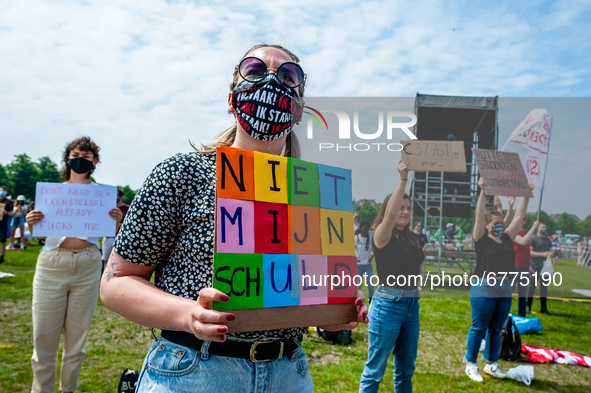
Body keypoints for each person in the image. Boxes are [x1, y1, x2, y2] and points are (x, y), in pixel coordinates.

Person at [99, 44, 368, 393]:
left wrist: (334, 312)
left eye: (288, 76)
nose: (271, 81)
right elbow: (115, 282)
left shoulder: (315, 195)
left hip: (289, 374)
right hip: (194, 372)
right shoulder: (182, 173)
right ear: (232, 98)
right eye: (255, 70)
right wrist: (187, 314)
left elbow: (304, 300)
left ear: (299, 110)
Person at [25, 137, 123, 393]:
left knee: (77, 342)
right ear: (67, 158)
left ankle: (68, 389)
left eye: (87, 155)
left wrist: (116, 221)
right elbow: (38, 232)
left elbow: (110, 234)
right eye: (75, 153)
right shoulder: (51, 194)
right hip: (52, 263)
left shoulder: (103, 196)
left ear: (95, 161)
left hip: (88, 264)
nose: (80, 158)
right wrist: (31, 221)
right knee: (43, 340)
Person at [359, 160, 424, 393]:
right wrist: (403, 179)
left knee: (405, 371)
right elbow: (389, 216)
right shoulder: (381, 236)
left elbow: (416, 265)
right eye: (401, 208)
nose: (405, 212)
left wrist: (418, 288)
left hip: (411, 305)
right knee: (375, 372)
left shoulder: (412, 239)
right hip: (388, 304)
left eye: (408, 208)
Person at [464, 178, 532, 383]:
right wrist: (483, 191)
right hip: (484, 287)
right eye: (496, 223)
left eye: (502, 223)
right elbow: (478, 214)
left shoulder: (508, 238)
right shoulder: (481, 239)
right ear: (486, 225)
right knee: (479, 327)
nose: (501, 226)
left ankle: (491, 363)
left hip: (505, 288)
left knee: (496, 329)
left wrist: (526, 194)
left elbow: (519, 216)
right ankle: (471, 364)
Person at [513, 218, 539, 317]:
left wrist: (529, 267)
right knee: (507, 293)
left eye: (525, 219)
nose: (525, 221)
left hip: (524, 268)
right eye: (523, 218)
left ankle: (521, 316)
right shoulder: (514, 232)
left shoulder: (525, 234)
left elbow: (525, 252)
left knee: (523, 295)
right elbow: (522, 242)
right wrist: (534, 228)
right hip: (514, 267)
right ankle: (503, 316)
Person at [101, 188, 130, 272]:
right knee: (106, 260)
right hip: (109, 238)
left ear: (121, 196)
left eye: (116, 195)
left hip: (122, 238)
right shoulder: (109, 209)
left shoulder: (127, 208)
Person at [527, 222, 553, 315]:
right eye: (542, 227)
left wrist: (550, 253)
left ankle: (543, 307)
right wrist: (542, 254)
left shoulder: (548, 240)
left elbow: (550, 250)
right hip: (535, 264)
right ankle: (528, 306)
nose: (544, 229)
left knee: (544, 287)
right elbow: (530, 252)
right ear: (538, 228)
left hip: (545, 266)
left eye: (545, 228)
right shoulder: (533, 239)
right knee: (532, 286)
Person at [356, 220, 375, 303]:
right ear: (360, 228)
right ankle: (357, 300)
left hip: (367, 265)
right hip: (358, 265)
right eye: (364, 228)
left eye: (367, 228)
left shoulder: (370, 238)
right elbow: (351, 250)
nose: (366, 230)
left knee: (370, 284)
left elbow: (373, 251)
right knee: (358, 285)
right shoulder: (356, 237)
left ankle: (371, 300)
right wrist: (355, 257)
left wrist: (371, 256)